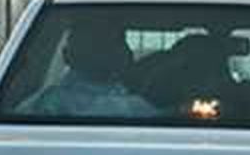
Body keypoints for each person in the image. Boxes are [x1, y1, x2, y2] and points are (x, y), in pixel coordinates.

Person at [13, 20, 158, 118]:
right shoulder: (135, 106)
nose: (127, 50)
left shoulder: (41, 104)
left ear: (67, 55)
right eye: (119, 42)